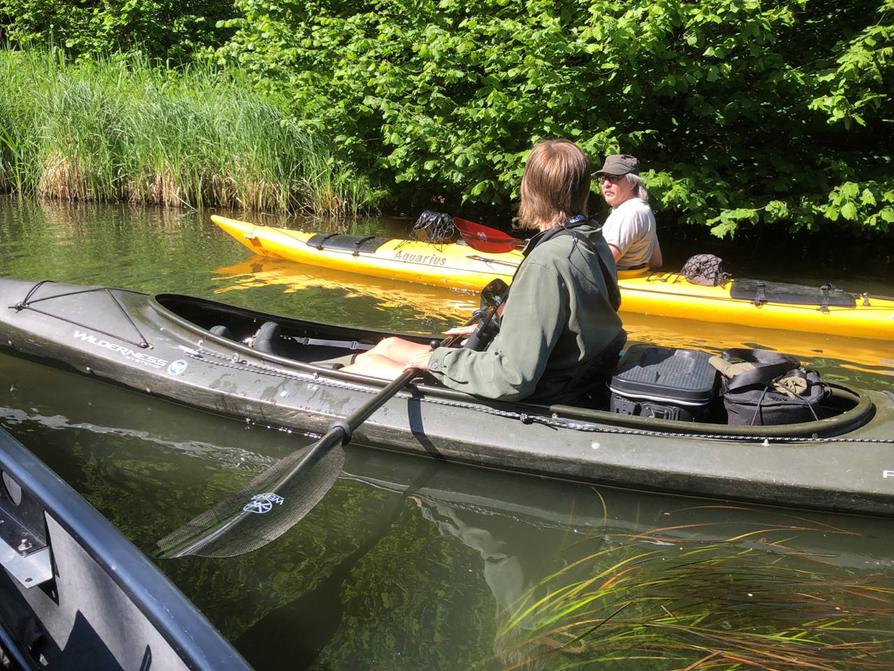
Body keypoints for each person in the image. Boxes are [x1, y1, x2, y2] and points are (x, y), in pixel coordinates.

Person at [342, 139, 626, 404]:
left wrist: (436, 361)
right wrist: (507, 324)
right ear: (582, 190)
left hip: (542, 391)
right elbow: (571, 319)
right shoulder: (592, 240)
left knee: (368, 365)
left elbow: (513, 378)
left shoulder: (546, 261)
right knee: (389, 344)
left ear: (531, 192)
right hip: (570, 375)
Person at [597, 154, 662, 270]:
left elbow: (603, 265)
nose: (606, 184)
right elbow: (656, 262)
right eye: (603, 179)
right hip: (636, 278)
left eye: (613, 177)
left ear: (632, 183)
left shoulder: (627, 212)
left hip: (618, 282)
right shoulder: (644, 209)